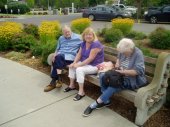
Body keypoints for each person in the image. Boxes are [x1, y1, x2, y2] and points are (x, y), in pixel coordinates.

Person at [83, 38, 147, 116]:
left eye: (125, 53)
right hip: (119, 74)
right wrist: (118, 65)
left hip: (131, 79)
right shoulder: (122, 51)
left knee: (114, 84)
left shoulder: (138, 53)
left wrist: (123, 72)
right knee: (103, 75)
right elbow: (118, 59)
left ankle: (95, 104)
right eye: (122, 52)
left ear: (130, 49)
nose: (123, 54)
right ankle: (106, 101)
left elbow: (138, 72)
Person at [64, 27, 104, 101]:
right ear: (84, 35)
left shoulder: (96, 44)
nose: (88, 36)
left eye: (90, 34)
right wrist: (74, 62)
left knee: (79, 69)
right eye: (86, 34)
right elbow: (79, 54)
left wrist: (78, 65)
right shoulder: (84, 43)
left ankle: (81, 92)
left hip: (95, 66)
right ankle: (72, 85)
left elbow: (90, 59)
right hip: (85, 64)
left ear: (93, 35)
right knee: (72, 66)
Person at [44, 25, 82, 92]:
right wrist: (54, 55)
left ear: (71, 30)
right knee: (57, 57)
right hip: (60, 58)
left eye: (68, 32)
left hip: (70, 59)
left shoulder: (79, 37)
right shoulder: (61, 38)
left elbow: (90, 41)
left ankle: (54, 82)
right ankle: (58, 79)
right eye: (65, 33)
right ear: (62, 33)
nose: (67, 33)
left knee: (58, 58)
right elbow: (57, 49)